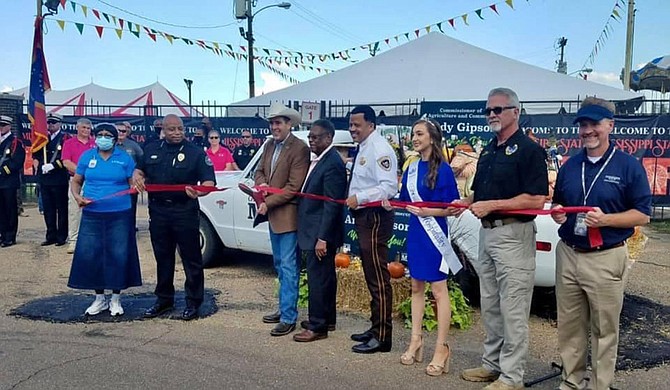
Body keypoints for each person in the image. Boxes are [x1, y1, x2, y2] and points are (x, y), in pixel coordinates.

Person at [551, 97, 651, 390]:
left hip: (605, 257)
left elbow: (642, 215)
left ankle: (599, 384)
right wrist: (558, 212)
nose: (587, 131)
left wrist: (606, 220)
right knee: (570, 326)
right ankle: (571, 381)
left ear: (610, 125)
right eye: (583, 125)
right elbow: (560, 201)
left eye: (594, 124)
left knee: (604, 328)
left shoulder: (629, 166)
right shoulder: (571, 165)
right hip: (569, 253)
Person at [452, 88, 548, 390]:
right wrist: (465, 201)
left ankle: (512, 377)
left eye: (498, 109)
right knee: (490, 303)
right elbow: (480, 193)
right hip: (487, 233)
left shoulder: (529, 150)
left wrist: (491, 205)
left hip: (513, 235)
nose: (492, 115)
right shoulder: (490, 150)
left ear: (515, 112)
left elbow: (535, 199)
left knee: (514, 308)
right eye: (488, 110)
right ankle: (492, 365)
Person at [133, 114, 216, 321]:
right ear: (163, 130)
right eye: (172, 129)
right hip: (158, 211)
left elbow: (209, 182)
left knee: (191, 258)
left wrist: (200, 192)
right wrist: (137, 176)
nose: (177, 133)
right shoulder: (152, 149)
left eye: (180, 129)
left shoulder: (195, 153)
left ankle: (193, 302)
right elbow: (139, 170)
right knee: (163, 257)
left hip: (184, 211)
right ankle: (164, 300)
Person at [397, 118, 461, 375]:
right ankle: (416, 340)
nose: (415, 138)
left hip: (434, 234)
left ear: (432, 138)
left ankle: (441, 347)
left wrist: (427, 210)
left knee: (438, 289)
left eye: (420, 134)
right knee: (415, 285)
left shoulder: (444, 170)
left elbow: (452, 209)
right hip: (416, 233)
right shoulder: (412, 168)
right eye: (413, 133)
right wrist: (391, 204)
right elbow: (404, 199)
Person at [67, 123, 141, 316]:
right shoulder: (87, 157)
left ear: (115, 140)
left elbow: (132, 182)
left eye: (108, 135)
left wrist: (138, 184)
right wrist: (77, 197)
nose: (103, 138)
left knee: (118, 254)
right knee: (93, 254)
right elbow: (76, 181)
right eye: (100, 134)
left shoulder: (124, 158)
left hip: (119, 213)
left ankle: (115, 299)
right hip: (92, 213)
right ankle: (99, 298)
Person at [346, 105, 398, 354]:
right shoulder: (364, 147)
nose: (352, 129)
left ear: (371, 124)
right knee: (370, 274)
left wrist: (361, 197)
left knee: (378, 277)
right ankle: (375, 326)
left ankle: (383, 336)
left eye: (357, 124)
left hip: (375, 216)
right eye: (351, 124)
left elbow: (389, 187)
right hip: (364, 217)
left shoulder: (379, 149)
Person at [255, 102, 309, 336]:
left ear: (289, 124)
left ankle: (288, 316)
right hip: (274, 214)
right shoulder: (268, 145)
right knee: (279, 264)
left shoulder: (299, 148)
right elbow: (259, 171)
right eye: (272, 123)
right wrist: (261, 185)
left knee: (288, 267)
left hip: (287, 216)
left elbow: (293, 188)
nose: (274, 127)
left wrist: (267, 202)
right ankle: (283, 308)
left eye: (278, 123)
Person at [293, 119, 347, 342]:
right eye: (309, 137)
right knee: (324, 277)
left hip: (321, 233)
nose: (311, 141)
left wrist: (322, 238)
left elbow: (332, 203)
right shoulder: (322, 160)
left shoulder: (332, 163)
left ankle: (317, 326)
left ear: (329, 138)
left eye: (315, 137)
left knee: (318, 278)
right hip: (315, 230)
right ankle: (327, 318)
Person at [33, 113, 70, 246]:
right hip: (45, 178)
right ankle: (51, 235)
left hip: (59, 178)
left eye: (54, 122)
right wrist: (37, 162)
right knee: (48, 209)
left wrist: (53, 165)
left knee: (61, 208)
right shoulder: (43, 138)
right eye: (49, 123)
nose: (50, 125)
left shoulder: (65, 138)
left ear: (60, 123)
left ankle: (61, 236)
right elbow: (36, 153)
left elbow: (66, 157)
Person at [61, 118, 95, 254]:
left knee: (92, 209)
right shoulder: (69, 143)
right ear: (77, 128)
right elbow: (66, 162)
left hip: (92, 181)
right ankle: (74, 241)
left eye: (88, 128)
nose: (86, 130)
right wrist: (81, 173)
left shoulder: (95, 144)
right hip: (75, 179)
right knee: (74, 210)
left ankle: (90, 240)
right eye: (84, 128)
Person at [0, 115, 25, 248]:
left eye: (3, 125)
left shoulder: (15, 142)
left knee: (10, 209)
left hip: (9, 181)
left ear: (9, 126)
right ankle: (2, 234)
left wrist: (2, 171)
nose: (1, 128)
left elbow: (17, 162)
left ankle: (10, 236)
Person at [115, 121, 144, 231]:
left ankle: (130, 229)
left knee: (131, 208)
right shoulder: (109, 146)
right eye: (118, 131)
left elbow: (142, 160)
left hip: (130, 183)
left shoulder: (133, 145)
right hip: (115, 183)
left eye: (124, 131)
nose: (121, 133)